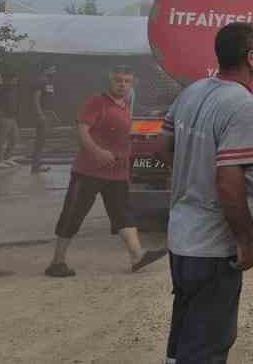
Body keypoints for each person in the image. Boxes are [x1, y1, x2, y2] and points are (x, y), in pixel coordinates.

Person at [161, 22, 253, 364]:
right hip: (213, 248)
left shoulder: (192, 91)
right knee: (207, 347)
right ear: (250, 58)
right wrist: (247, 241)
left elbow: (163, 145)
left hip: (181, 239)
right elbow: (228, 182)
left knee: (183, 340)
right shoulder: (241, 104)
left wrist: (191, 175)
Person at [44, 67, 166, 278]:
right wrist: (97, 152)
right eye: (118, 80)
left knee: (123, 215)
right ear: (110, 81)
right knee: (73, 213)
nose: (122, 84)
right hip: (88, 171)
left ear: (132, 84)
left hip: (117, 174)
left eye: (127, 81)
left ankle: (137, 257)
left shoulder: (125, 106)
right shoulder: (96, 102)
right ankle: (57, 262)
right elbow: (82, 131)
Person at [27, 66, 55, 173]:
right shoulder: (41, 81)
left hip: (47, 113)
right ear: (45, 69)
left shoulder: (47, 81)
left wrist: (51, 112)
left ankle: (37, 165)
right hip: (42, 114)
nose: (54, 71)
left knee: (42, 141)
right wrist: (40, 114)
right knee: (40, 140)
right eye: (52, 69)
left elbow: (47, 99)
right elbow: (36, 99)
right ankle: (35, 166)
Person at [0, 73, 21, 166]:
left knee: (14, 139)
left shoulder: (14, 89)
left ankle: (7, 158)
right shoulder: (1, 89)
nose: (16, 81)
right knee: (1, 140)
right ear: (9, 79)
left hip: (13, 117)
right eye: (15, 79)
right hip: (4, 117)